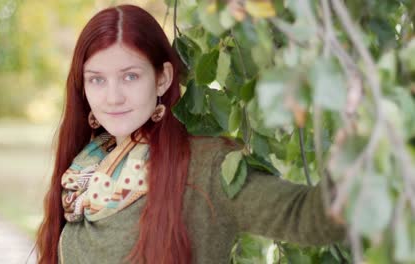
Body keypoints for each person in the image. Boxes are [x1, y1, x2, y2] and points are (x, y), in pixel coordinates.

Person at [35, 4, 346, 264]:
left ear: (162, 79)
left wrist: (360, 141)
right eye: (97, 80)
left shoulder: (207, 167)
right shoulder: (83, 174)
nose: (112, 97)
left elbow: (312, 217)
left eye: (130, 76)